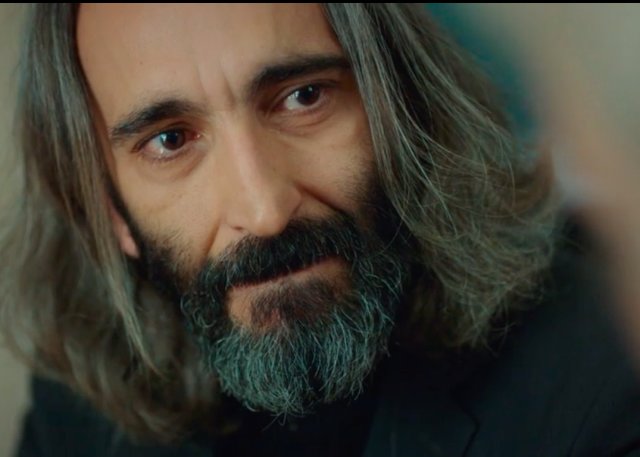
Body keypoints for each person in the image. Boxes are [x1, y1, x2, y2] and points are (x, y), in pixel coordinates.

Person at [2, 4, 640, 456]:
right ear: (111, 212)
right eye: (170, 141)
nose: (265, 211)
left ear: (398, 109)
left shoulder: (601, 379)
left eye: (304, 97)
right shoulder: (80, 406)